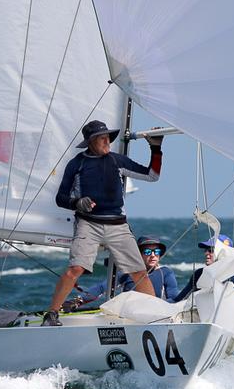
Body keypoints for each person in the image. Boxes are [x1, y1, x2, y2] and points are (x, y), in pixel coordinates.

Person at [44, 120, 164, 326]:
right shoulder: (77, 164)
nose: (107, 140)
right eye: (102, 137)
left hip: (118, 225)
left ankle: (159, 316)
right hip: (88, 224)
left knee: (139, 272)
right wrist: (77, 203)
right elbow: (60, 198)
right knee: (75, 269)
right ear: (90, 142)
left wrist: (155, 148)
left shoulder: (117, 160)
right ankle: (52, 314)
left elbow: (152, 176)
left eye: (108, 136)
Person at [68, 236, 179, 309]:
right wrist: (78, 301)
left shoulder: (166, 273)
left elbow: (173, 298)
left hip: (154, 315)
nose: (153, 255)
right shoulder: (127, 273)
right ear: (138, 255)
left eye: (156, 251)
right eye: (148, 252)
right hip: (129, 315)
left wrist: (159, 308)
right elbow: (101, 288)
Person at [173, 234, 234, 302]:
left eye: (211, 250)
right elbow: (179, 300)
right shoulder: (199, 274)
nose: (206, 253)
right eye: (206, 250)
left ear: (222, 253)